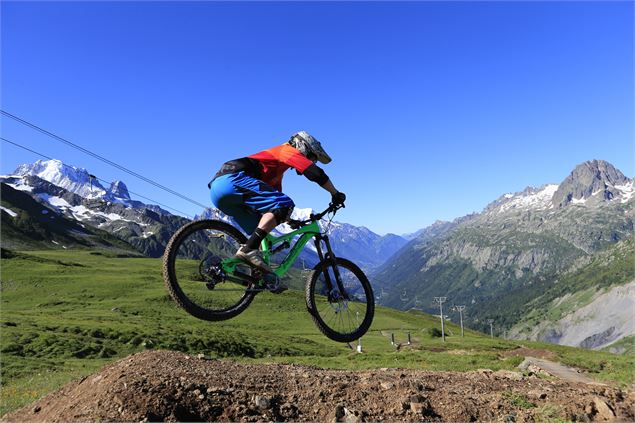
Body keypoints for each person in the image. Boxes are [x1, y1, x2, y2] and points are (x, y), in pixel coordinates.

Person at [208, 131, 346, 289]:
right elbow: (315, 173)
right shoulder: (286, 150)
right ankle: (248, 251)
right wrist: (335, 194)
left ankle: (259, 276)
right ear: (303, 147)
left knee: (261, 235)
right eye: (312, 157)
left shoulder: (275, 173)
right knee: (285, 205)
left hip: (219, 191)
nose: (312, 161)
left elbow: (274, 208)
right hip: (233, 180)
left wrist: (289, 220)